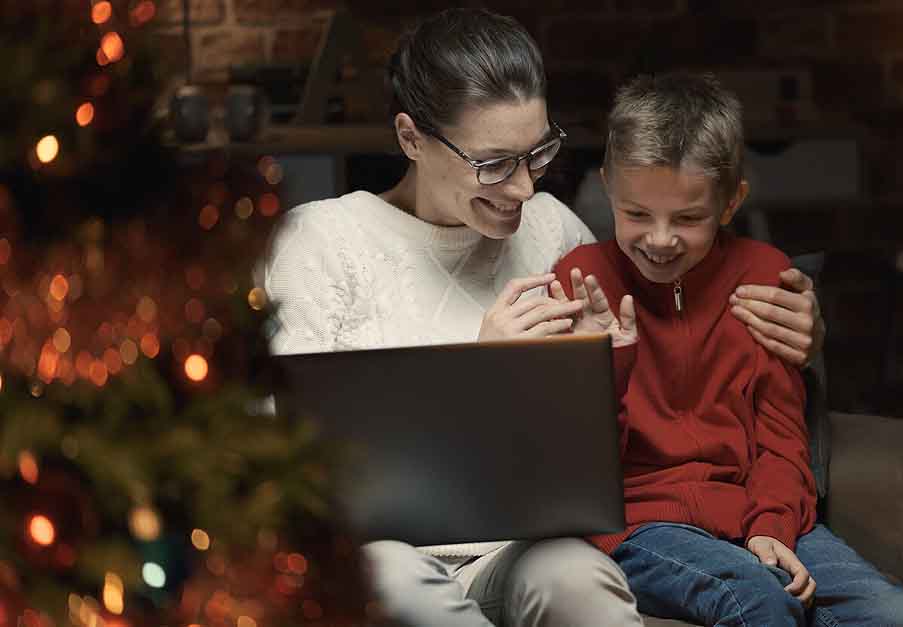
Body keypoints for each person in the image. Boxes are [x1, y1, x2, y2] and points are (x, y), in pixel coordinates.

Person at [262, 8, 825, 627]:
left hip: (527, 545)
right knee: (395, 577)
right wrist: (481, 370)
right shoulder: (322, 241)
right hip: (382, 547)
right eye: (494, 163)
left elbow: (671, 334)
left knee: (576, 576)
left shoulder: (554, 229)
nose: (525, 189)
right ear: (411, 139)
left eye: (537, 154)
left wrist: (804, 332)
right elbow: (289, 448)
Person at [551, 73, 903, 627]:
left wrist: (771, 525)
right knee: (755, 599)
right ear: (607, 187)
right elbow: (579, 461)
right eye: (636, 214)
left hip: (752, 510)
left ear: (731, 203)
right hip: (640, 527)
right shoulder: (581, 279)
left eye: (688, 218)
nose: (659, 239)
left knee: (891, 614)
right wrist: (615, 358)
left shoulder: (765, 279)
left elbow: (781, 436)